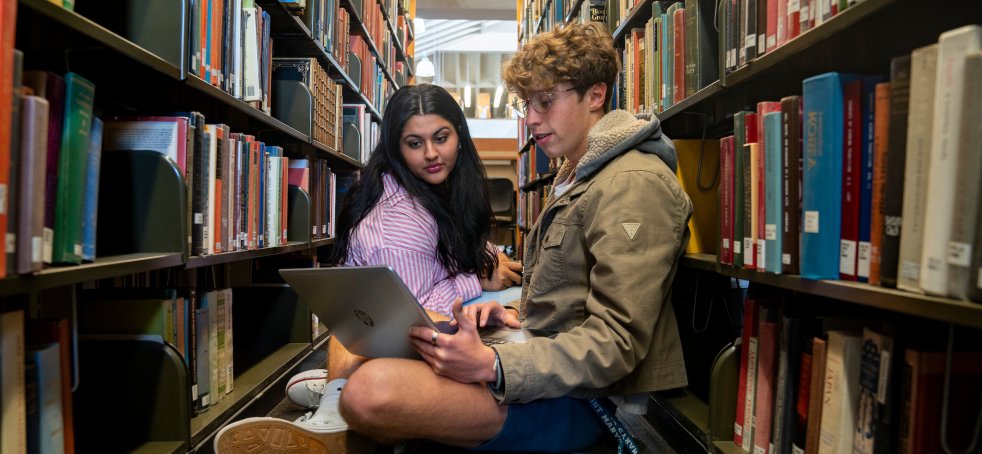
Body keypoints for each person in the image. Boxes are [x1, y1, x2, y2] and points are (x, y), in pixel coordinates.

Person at [333, 21, 693, 452]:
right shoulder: (577, 176)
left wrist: (493, 362)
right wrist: (513, 314)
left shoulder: (632, 184)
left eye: (546, 101)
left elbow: (616, 343)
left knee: (370, 389)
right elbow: (573, 294)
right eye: (528, 104)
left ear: (595, 95)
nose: (533, 119)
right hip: (539, 366)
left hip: (584, 402)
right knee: (373, 371)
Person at [213, 84, 522, 453]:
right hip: (389, 336)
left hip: (369, 335)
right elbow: (412, 315)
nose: (432, 154)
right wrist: (476, 277)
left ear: (459, 134)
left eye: (442, 137)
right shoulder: (397, 223)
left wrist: (485, 262)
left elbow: (465, 249)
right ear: (395, 146)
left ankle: (335, 386)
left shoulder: (434, 190)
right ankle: (338, 415)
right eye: (414, 143)